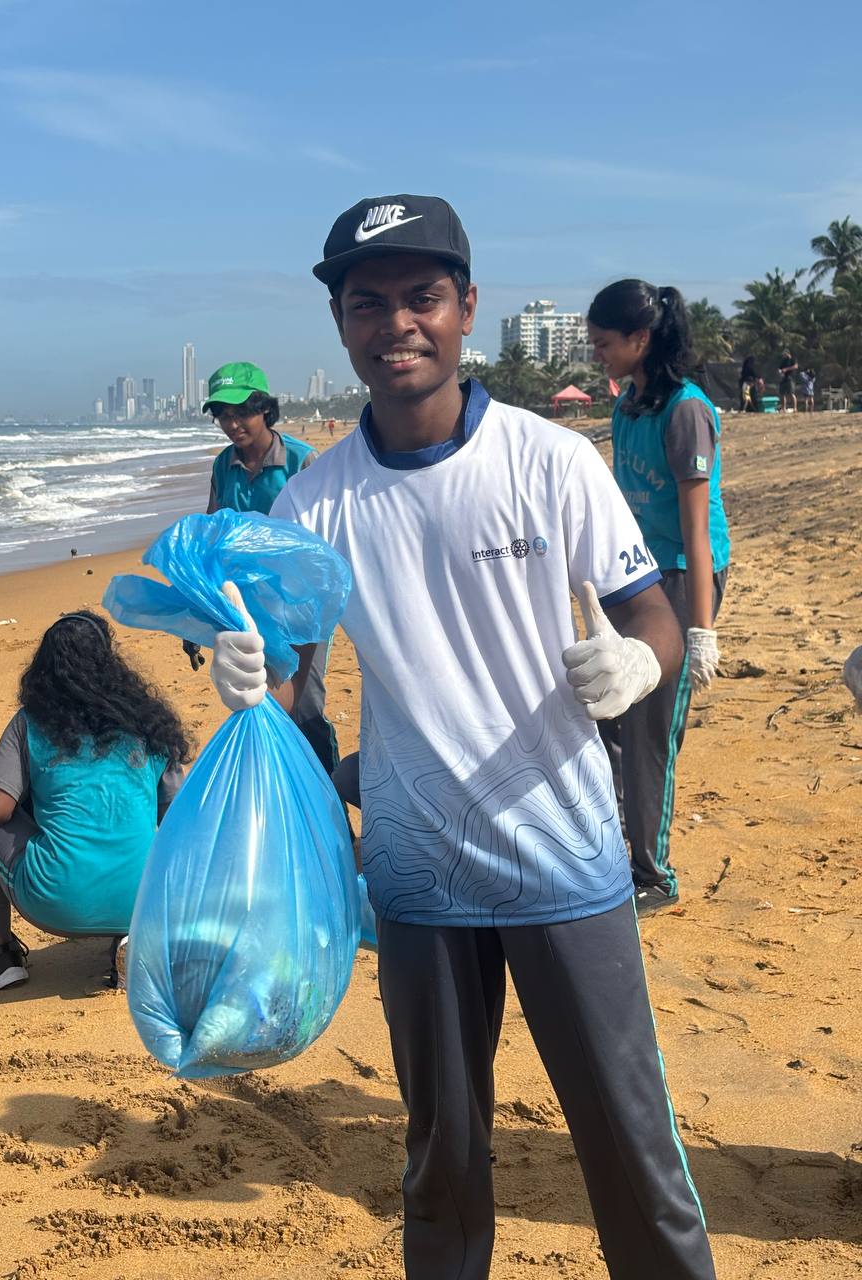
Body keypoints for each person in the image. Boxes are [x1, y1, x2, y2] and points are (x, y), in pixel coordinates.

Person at [208, 195, 717, 1280]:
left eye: (423, 297)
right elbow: (296, 678)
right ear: (342, 322)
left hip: (567, 860)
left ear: (466, 307)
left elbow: (652, 611)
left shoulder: (552, 461)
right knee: (440, 1156)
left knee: (631, 1144)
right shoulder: (311, 504)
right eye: (369, 301)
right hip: (416, 872)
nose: (399, 322)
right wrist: (246, 683)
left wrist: (640, 662)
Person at [587, 281, 731, 916]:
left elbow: (697, 534)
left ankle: (655, 875)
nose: (597, 355)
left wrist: (700, 630)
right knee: (607, 716)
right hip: (633, 574)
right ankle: (612, 849)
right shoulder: (628, 406)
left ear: (640, 340)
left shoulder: (685, 412)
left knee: (649, 728)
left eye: (605, 344)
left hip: (679, 577)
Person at [0, 612, 190, 990]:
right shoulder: (148, 724)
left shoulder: (32, 722)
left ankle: (2, 952)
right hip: (146, 897)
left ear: (44, 668)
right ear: (111, 663)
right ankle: (131, 935)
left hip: (53, 902)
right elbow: (179, 814)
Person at [181, 361, 341, 778]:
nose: (232, 424)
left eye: (241, 413)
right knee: (258, 700)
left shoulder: (303, 463)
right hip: (249, 609)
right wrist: (198, 611)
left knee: (304, 705)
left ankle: (329, 808)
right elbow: (212, 538)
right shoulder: (223, 466)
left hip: (301, 607)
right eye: (223, 415)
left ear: (264, 410)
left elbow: (324, 548)